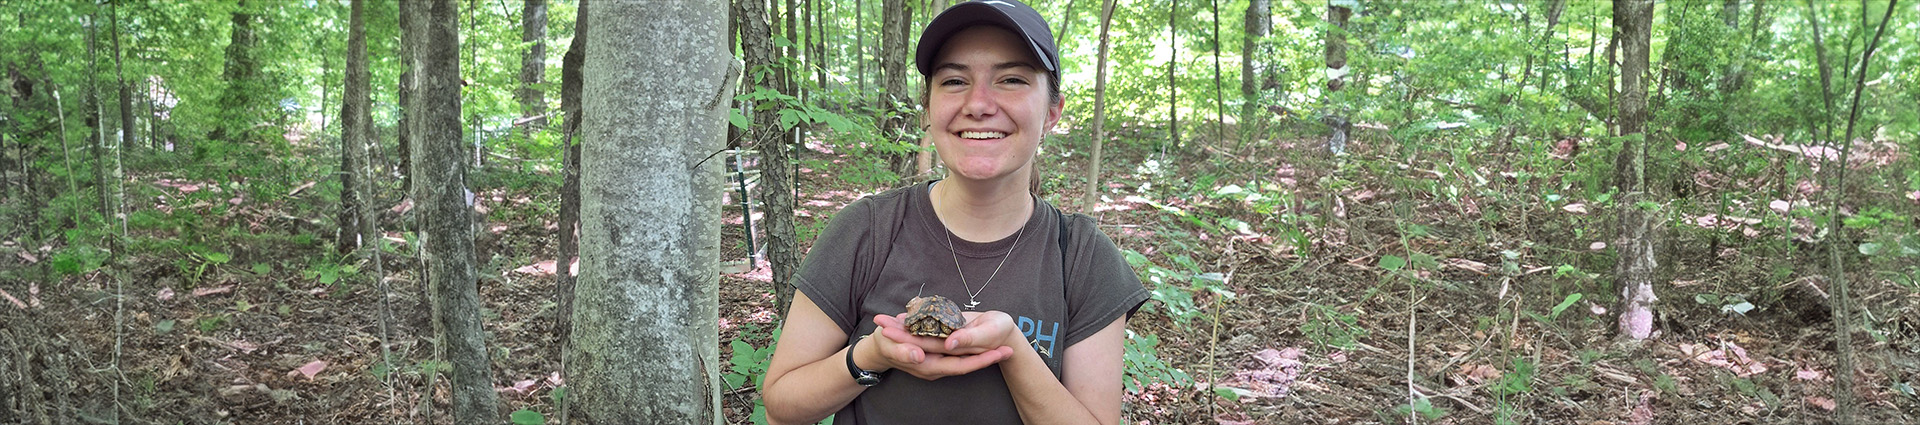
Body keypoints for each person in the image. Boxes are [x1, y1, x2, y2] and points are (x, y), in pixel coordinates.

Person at [760, 1, 1149, 424]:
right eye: (955, 80)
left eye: (1012, 79)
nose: (978, 103)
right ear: (928, 108)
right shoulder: (867, 230)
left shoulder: (1083, 258)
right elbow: (782, 406)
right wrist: (869, 355)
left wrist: (1013, 351)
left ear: (1052, 111)